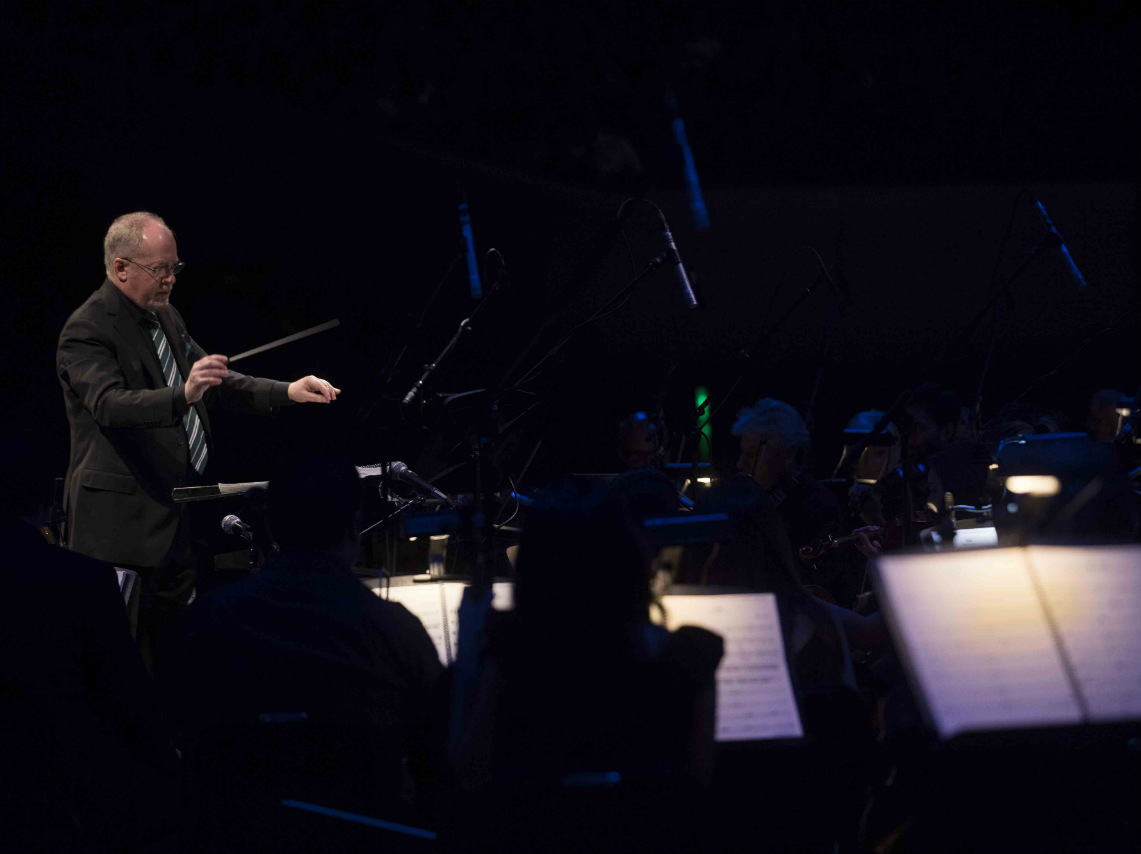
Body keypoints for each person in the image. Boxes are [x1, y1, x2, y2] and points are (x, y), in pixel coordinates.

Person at [56, 211, 340, 668]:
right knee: (121, 663)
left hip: (175, 519)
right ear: (120, 267)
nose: (169, 280)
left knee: (173, 655)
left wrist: (286, 391)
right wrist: (182, 393)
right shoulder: (87, 328)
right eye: (159, 269)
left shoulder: (166, 315)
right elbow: (110, 404)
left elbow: (217, 379)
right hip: (119, 527)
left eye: (175, 268)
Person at [165, 452, 446, 850]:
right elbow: (434, 753)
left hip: (238, 833)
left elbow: (181, 733)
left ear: (273, 523)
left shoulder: (208, 619)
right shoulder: (394, 630)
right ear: (354, 527)